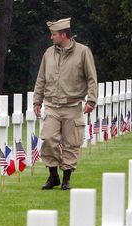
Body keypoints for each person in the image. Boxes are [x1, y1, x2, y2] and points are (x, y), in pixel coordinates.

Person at [32, 17, 98, 190]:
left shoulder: (83, 52)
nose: (51, 37)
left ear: (64, 35)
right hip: (52, 105)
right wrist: (37, 101)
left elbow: (92, 78)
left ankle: (66, 179)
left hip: (72, 105)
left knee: (71, 143)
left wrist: (91, 100)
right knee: (47, 139)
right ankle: (53, 176)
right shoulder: (48, 53)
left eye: (54, 34)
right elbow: (41, 79)